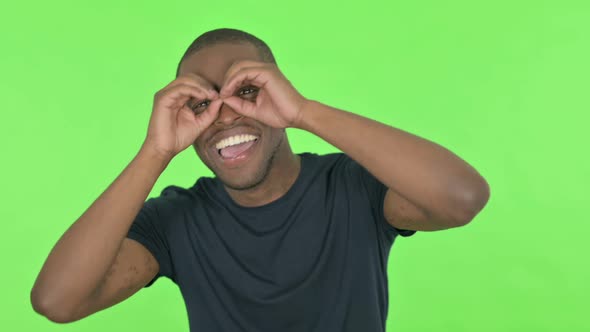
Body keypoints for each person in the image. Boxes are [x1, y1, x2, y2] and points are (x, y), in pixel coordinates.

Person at [31, 28, 490, 331]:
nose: (225, 115)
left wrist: (304, 112)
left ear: (276, 91)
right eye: (200, 103)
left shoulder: (352, 185)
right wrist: (156, 151)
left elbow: (463, 197)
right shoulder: (176, 219)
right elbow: (57, 302)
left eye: (245, 91)